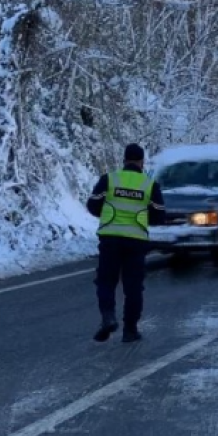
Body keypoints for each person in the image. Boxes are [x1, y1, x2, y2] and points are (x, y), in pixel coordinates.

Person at [85, 143, 165, 343]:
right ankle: (130, 330)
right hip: (136, 241)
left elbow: (93, 204)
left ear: (124, 160)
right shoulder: (149, 184)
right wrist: (143, 218)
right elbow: (159, 215)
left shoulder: (110, 179)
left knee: (106, 281)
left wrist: (107, 215)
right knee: (133, 287)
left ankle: (108, 317)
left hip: (110, 238)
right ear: (141, 162)